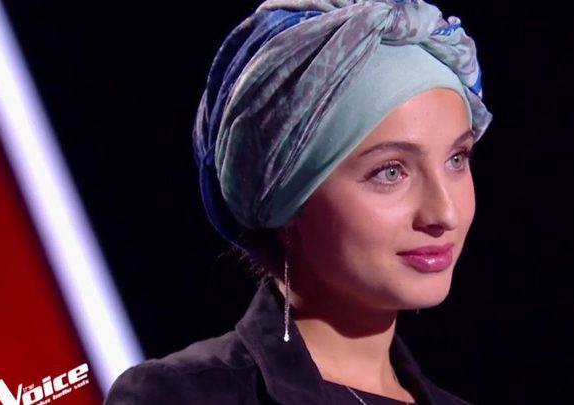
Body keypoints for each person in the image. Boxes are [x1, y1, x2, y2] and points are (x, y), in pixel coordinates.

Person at [105, 0, 492, 403]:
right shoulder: (183, 395)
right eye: (390, 171)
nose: (444, 213)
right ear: (286, 200)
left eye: (456, 159)